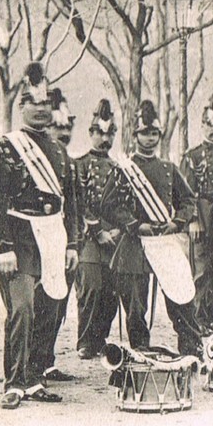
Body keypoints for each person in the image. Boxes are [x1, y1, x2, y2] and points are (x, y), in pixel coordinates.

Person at [0, 63, 79, 410]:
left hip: (52, 238)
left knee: (49, 310)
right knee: (22, 309)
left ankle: (36, 378)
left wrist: (71, 244)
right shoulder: (6, 148)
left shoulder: (60, 152)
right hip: (19, 240)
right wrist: (2, 247)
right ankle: (15, 381)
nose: (39, 108)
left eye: (45, 102)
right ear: (22, 105)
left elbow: (71, 204)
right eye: (32, 102)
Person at [101, 100, 204, 356]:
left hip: (164, 239)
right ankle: (141, 351)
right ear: (135, 135)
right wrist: (135, 225)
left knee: (180, 295)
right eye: (145, 133)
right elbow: (108, 204)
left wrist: (177, 222)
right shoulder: (124, 170)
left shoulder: (168, 168)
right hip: (136, 242)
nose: (150, 138)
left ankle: (190, 349)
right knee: (136, 304)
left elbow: (188, 200)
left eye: (154, 133)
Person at [28, 88, 79, 384]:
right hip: (36, 241)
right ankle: (31, 365)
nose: (63, 132)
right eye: (57, 126)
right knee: (38, 305)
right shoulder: (36, 159)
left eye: (67, 126)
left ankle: (46, 361)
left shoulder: (67, 161)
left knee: (57, 306)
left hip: (62, 243)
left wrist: (73, 243)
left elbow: (74, 207)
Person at [73, 99, 124, 360]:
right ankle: (85, 340)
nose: (104, 139)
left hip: (114, 237)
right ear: (91, 134)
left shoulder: (119, 168)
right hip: (90, 238)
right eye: (100, 133)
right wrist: (98, 232)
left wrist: (117, 231)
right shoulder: (79, 165)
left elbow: (124, 204)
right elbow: (79, 202)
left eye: (109, 134)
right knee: (91, 287)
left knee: (110, 292)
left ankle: (100, 338)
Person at [180, 94, 213, 330]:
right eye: (209, 124)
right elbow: (185, 195)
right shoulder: (191, 157)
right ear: (202, 125)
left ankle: (209, 318)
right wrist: (192, 221)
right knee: (201, 273)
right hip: (200, 220)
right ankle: (197, 320)